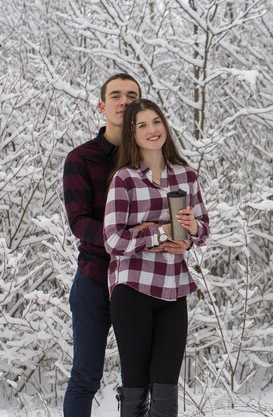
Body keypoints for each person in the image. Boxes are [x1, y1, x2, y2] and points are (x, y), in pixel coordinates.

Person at [62, 76, 189, 417]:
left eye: (131, 95)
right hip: (95, 278)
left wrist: (180, 236)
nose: (123, 101)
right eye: (115, 96)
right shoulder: (82, 159)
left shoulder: (151, 156)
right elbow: (79, 223)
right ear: (102, 106)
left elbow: (178, 214)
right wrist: (127, 235)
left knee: (137, 377)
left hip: (144, 279)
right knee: (86, 375)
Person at [103, 99, 210, 416]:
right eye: (142, 125)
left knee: (166, 390)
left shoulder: (186, 176)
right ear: (132, 135)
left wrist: (187, 237)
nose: (152, 130)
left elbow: (203, 230)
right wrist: (160, 233)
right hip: (132, 287)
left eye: (157, 122)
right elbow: (113, 239)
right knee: (136, 384)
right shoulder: (125, 179)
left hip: (173, 288)